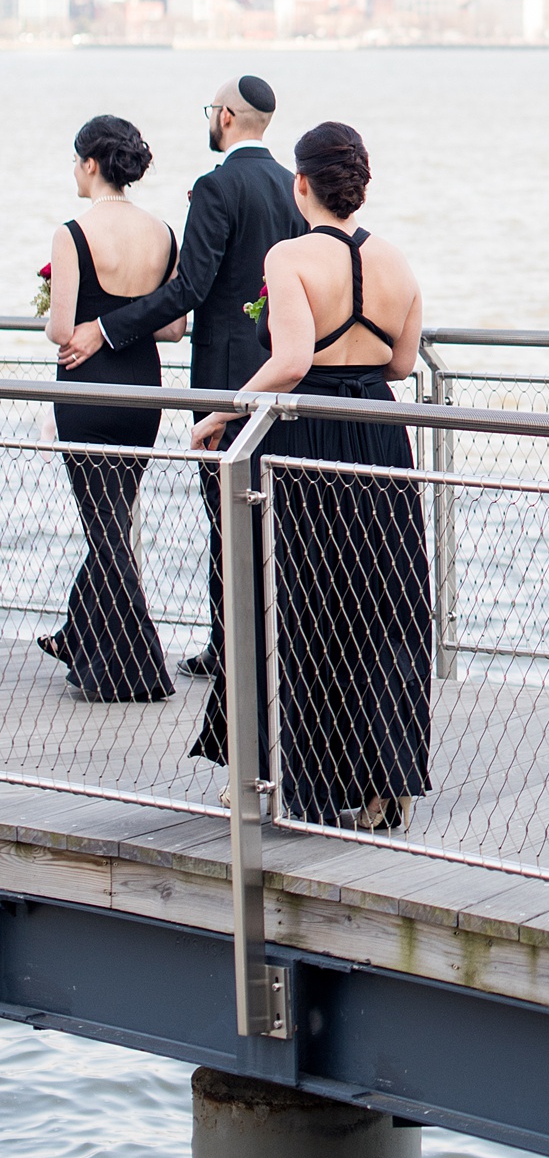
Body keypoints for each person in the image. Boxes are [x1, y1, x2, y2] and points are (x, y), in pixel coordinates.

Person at [190, 122, 432, 833]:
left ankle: (312, 783)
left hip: (309, 435)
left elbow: (292, 360)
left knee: (306, 602)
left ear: (301, 185)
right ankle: (387, 778)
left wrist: (223, 412)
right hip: (380, 436)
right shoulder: (397, 261)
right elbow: (400, 365)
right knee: (385, 603)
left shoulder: (290, 255)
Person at [59, 74, 305, 684]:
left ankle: (228, 649)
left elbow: (189, 290)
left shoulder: (216, 188)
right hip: (286, 372)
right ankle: (272, 642)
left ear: (225, 117)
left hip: (222, 379)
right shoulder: (292, 189)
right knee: (278, 513)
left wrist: (106, 328)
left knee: (225, 515)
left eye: (210, 110)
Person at [39, 116, 186, 702]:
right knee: (113, 520)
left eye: (76, 160)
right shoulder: (164, 233)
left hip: (87, 386)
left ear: (91, 164)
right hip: (141, 388)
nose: (74, 171)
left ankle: (132, 666)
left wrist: (70, 320)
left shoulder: (73, 232)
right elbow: (174, 328)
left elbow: (59, 330)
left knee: (104, 529)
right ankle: (85, 640)